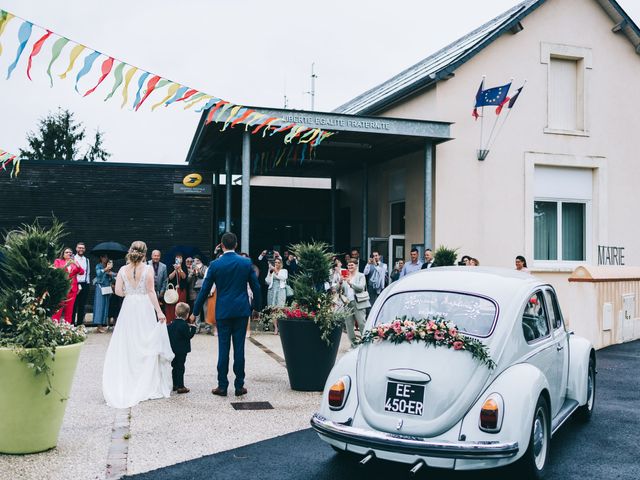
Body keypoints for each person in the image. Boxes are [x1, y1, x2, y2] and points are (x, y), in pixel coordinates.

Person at [102, 241, 174, 409]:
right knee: (145, 340)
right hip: (144, 307)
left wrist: (130, 294)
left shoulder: (121, 270)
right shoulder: (148, 269)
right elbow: (150, 292)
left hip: (129, 307)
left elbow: (118, 291)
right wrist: (159, 311)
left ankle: (127, 378)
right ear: (145, 253)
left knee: (128, 342)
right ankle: (145, 379)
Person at [191, 232, 261, 397]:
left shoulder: (215, 265)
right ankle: (239, 386)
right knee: (239, 349)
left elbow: (205, 289)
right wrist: (256, 307)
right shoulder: (245, 262)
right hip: (242, 311)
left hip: (223, 311)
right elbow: (256, 287)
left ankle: (222, 386)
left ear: (222, 245)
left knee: (223, 349)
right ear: (236, 245)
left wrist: (195, 311)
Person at [167, 302, 197, 394]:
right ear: (187, 315)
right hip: (182, 351)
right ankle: (181, 386)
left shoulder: (171, 325)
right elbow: (188, 336)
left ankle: (175, 384)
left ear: (175, 313)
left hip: (173, 350)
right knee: (180, 367)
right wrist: (193, 328)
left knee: (174, 367)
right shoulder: (184, 325)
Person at [339, 260, 370, 347]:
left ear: (356, 265)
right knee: (349, 325)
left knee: (361, 323)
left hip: (358, 302)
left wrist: (350, 282)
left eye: (352, 265)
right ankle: (354, 344)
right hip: (347, 303)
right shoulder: (345, 276)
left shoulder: (361, 275)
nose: (350, 267)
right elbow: (339, 289)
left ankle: (365, 342)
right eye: (348, 265)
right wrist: (340, 282)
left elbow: (361, 288)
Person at [52, 247, 85, 324]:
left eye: (70, 252)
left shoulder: (74, 262)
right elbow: (57, 271)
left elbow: (82, 272)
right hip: (62, 289)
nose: (69, 254)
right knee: (58, 310)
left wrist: (77, 264)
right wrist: (67, 264)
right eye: (67, 252)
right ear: (63, 254)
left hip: (72, 289)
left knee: (69, 310)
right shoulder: (58, 261)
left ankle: (67, 329)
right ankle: (55, 326)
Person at [265, 255, 288, 335]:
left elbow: (283, 278)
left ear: (281, 264)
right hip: (272, 290)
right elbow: (267, 281)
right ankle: (276, 328)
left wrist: (275, 271)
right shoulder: (271, 270)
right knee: (273, 309)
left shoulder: (284, 270)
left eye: (278, 263)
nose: (277, 264)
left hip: (281, 290)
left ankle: (280, 326)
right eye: (275, 262)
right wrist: (270, 273)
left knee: (280, 309)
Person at [93, 255, 115, 333]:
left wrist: (112, 274)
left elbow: (112, 277)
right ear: (101, 258)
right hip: (100, 287)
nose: (106, 259)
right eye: (104, 257)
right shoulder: (98, 266)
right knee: (99, 306)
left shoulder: (108, 266)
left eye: (106, 257)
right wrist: (106, 269)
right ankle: (98, 325)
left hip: (107, 288)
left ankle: (102, 325)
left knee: (105, 306)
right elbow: (98, 274)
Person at [73, 242, 90, 326]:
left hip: (84, 284)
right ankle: (72, 323)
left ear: (84, 249)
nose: (81, 249)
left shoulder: (87, 260)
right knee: (73, 304)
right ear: (76, 249)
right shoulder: (73, 259)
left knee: (82, 305)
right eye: (79, 248)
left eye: (82, 248)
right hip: (75, 284)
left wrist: (87, 283)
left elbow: (88, 273)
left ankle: (79, 324)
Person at [166, 253, 187, 323]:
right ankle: (171, 320)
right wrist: (175, 270)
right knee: (172, 305)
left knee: (181, 305)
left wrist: (180, 269)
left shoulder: (184, 267)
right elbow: (170, 277)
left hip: (181, 290)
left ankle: (180, 320)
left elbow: (184, 277)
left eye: (180, 258)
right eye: (177, 258)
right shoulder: (171, 266)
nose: (178, 260)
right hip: (173, 290)